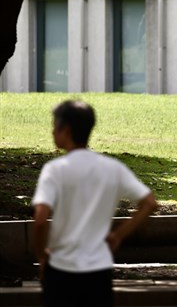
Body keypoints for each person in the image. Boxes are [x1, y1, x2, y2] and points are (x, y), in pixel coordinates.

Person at [32, 100, 158, 307]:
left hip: (61, 267)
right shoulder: (111, 168)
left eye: (55, 126)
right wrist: (118, 235)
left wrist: (42, 255)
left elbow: (39, 220)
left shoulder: (55, 170)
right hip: (98, 269)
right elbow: (149, 203)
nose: (53, 131)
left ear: (67, 129)